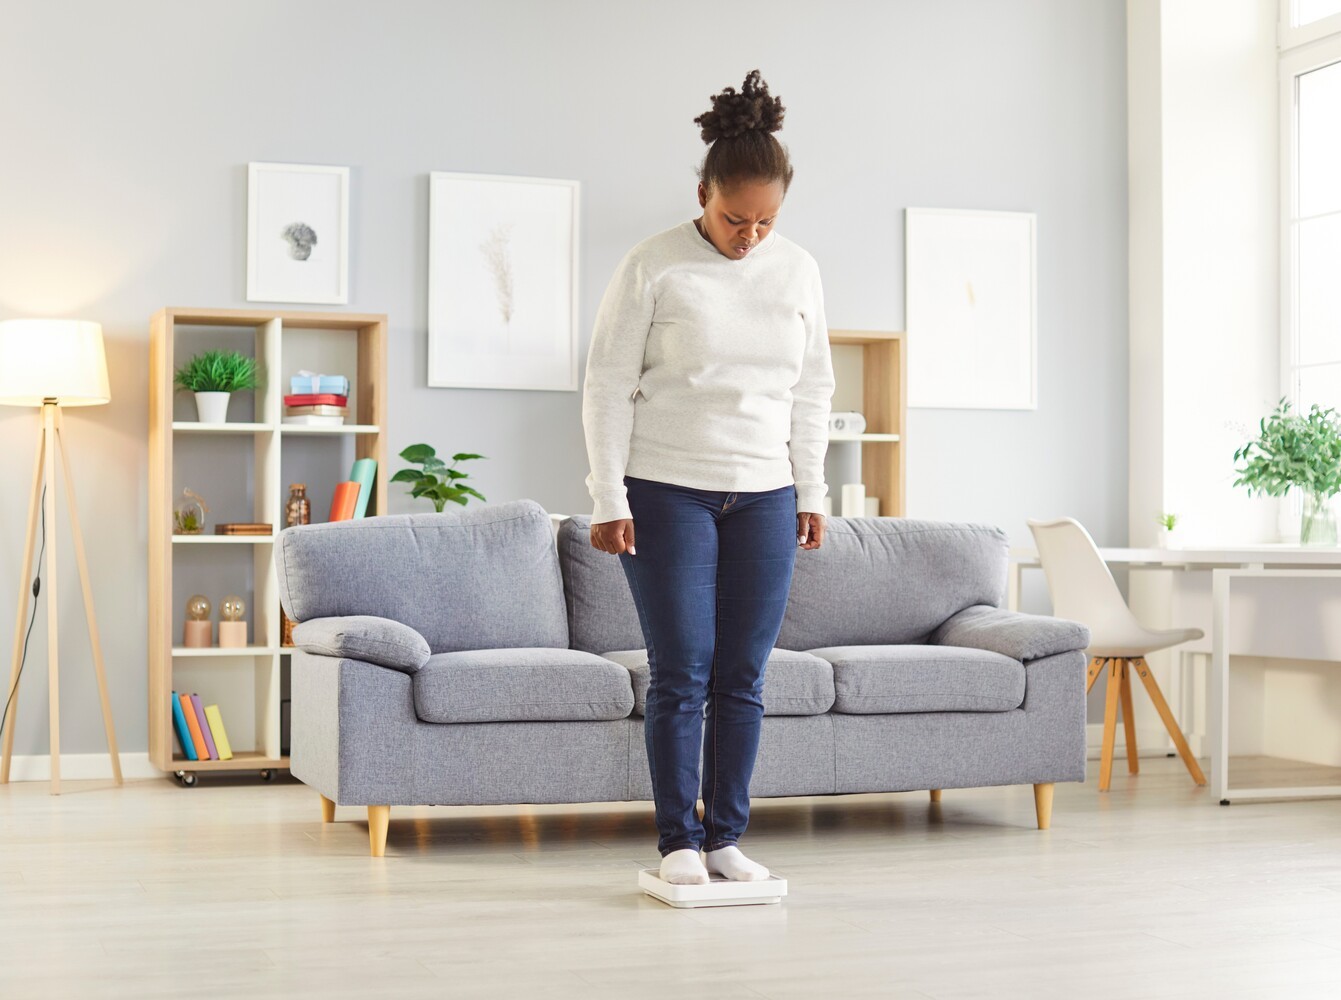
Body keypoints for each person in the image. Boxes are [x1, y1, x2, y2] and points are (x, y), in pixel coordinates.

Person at [582, 69, 835, 886]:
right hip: (666, 487)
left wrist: (812, 489)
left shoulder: (798, 271)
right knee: (683, 668)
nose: (749, 236)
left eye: (765, 221)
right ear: (703, 194)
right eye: (734, 218)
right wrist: (606, 496)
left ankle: (724, 835)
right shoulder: (652, 264)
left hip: (764, 492)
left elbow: (813, 389)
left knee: (743, 675)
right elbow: (606, 384)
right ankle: (677, 845)